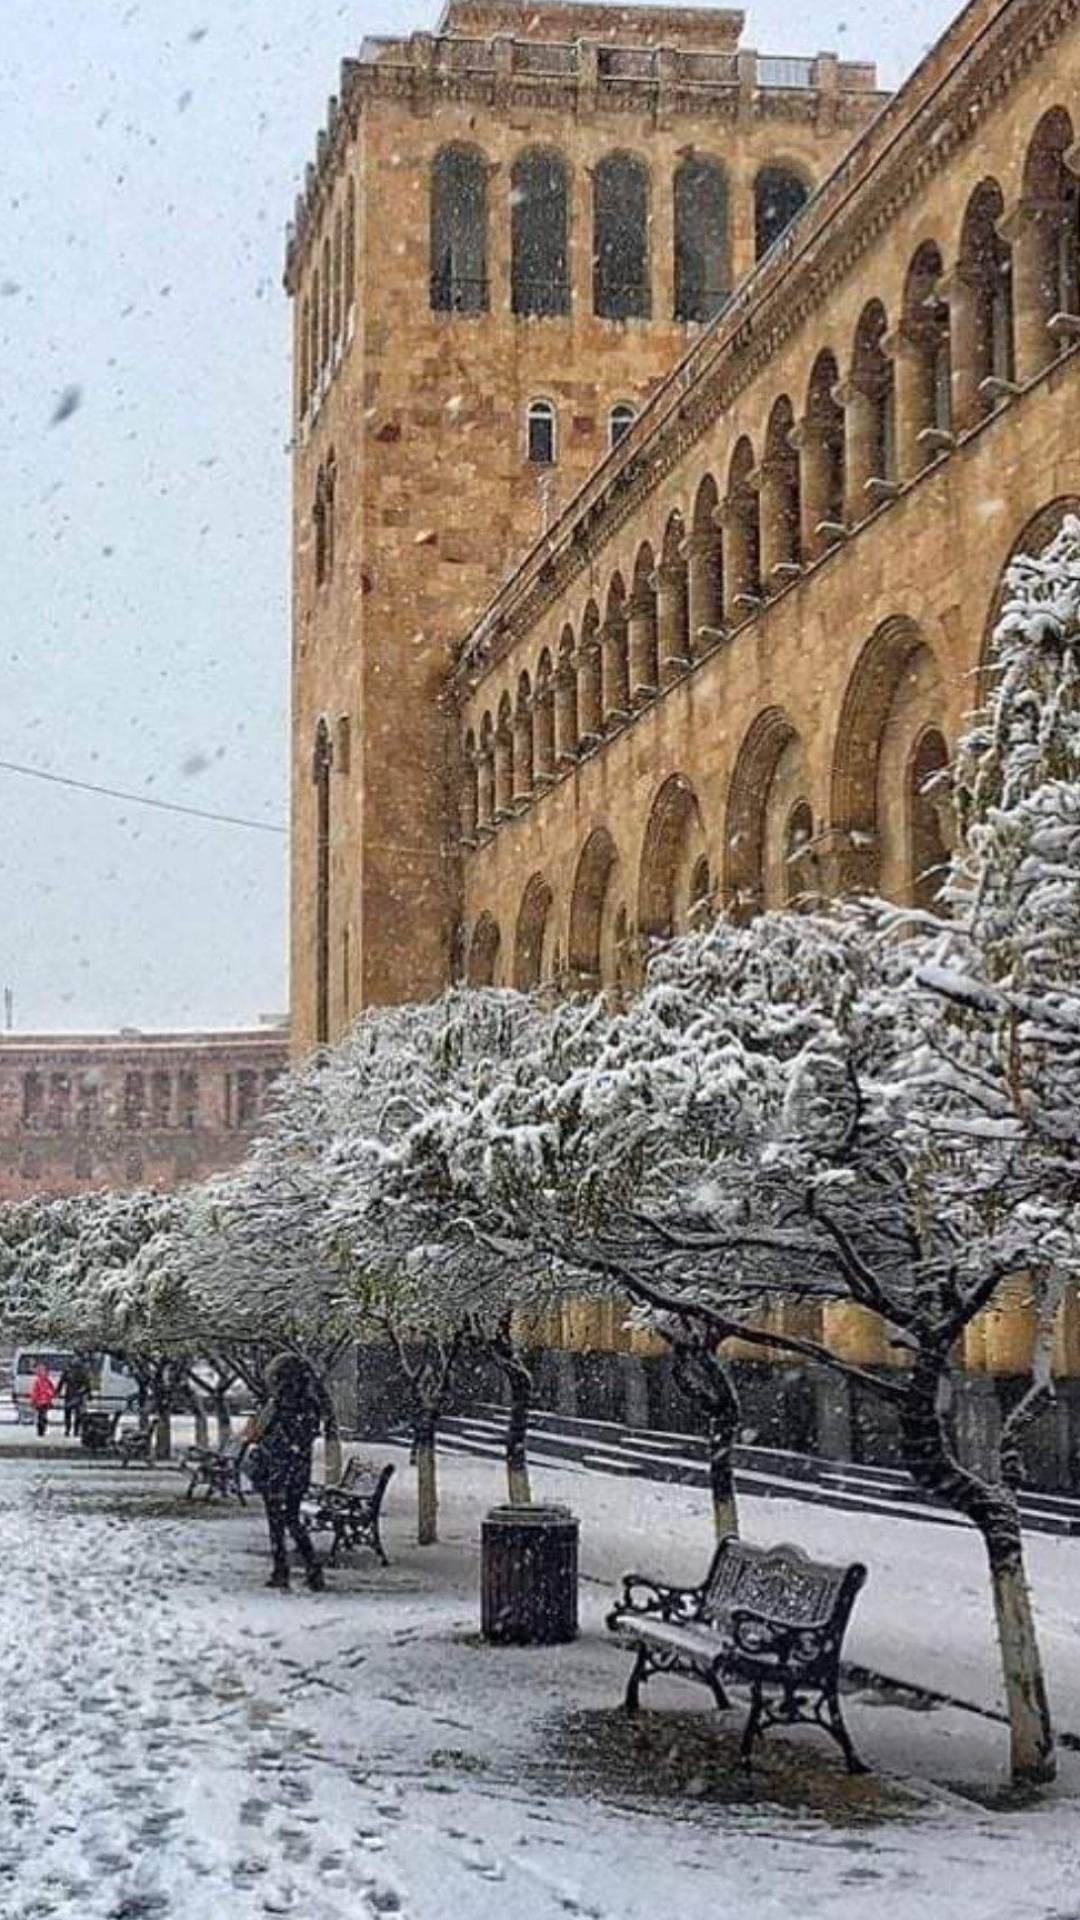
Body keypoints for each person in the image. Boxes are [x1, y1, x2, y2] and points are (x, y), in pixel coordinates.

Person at [252, 1354, 325, 1591]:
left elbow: (295, 1439)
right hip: (286, 1472)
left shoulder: (293, 1405)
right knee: (285, 1521)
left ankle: (300, 1569)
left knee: (286, 1521)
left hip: (283, 1472)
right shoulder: (288, 1403)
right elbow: (262, 1432)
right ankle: (292, 1569)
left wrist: (276, 1442)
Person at [57, 1355, 92, 1438]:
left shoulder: (69, 1371)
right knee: (76, 1414)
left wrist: (58, 1391)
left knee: (71, 1414)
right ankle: (72, 1430)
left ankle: (70, 1430)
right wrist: (88, 1393)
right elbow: (87, 1385)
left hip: (72, 1395)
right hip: (75, 1395)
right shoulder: (80, 1372)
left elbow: (61, 1383)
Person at [29, 1361, 57, 1437]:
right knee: (41, 1415)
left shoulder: (46, 1381)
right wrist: (34, 1400)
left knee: (43, 1415)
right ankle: (41, 1429)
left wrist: (51, 1395)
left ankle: (42, 1429)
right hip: (40, 1401)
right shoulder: (39, 1381)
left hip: (45, 1401)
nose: (43, 1373)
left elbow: (52, 1389)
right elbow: (35, 1391)